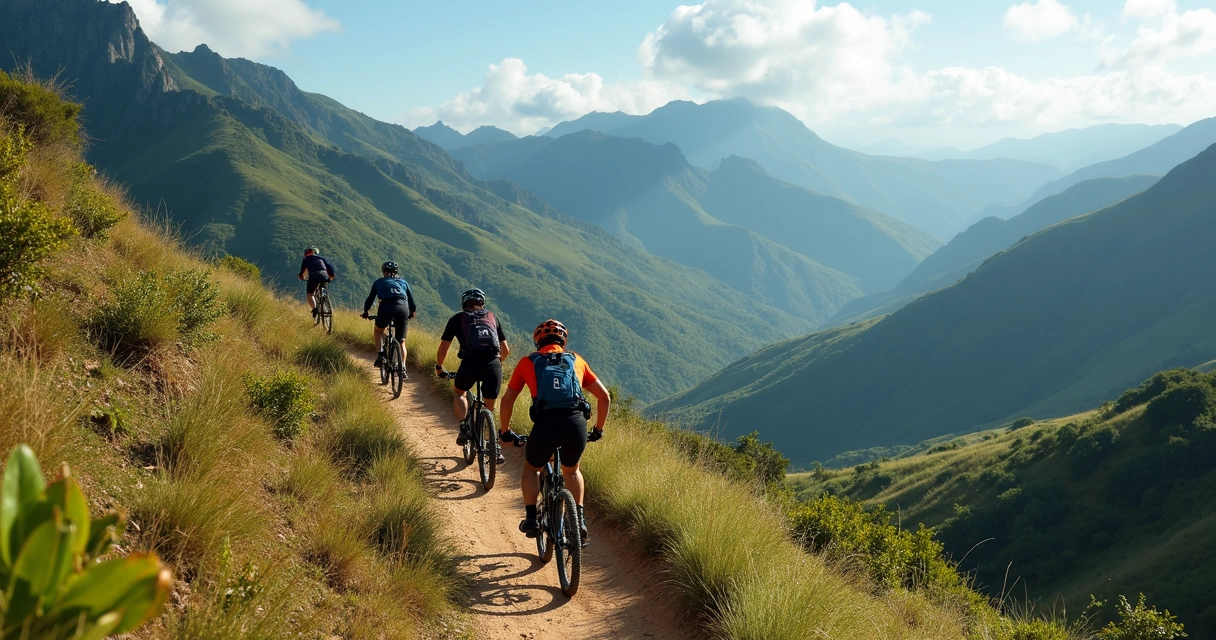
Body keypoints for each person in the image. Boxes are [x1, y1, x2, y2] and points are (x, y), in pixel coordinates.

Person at [498, 319, 610, 543]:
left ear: (538, 341)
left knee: (532, 468)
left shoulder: (527, 362)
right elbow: (604, 397)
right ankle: (578, 519)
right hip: (575, 424)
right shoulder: (576, 360)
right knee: (572, 471)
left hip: (546, 425)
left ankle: (531, 517)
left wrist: (505, 430)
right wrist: (598, 429)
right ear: (563, 341)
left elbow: (507, 400)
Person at [435, 289, 511, 463]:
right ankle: (493, 446)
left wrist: (439, 367)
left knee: (459, 392)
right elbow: (505, 350)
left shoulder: (457, 319)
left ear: (464, 304)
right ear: (482, 303)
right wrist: (496, 364)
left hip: (470, 364)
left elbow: (443, 349)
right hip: (492, 364)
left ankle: (464, 427)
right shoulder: (493, 317)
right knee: (489, 408)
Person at [360, 261, 416, 369]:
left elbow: (370, 299)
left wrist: (366, 311)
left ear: (383, 271)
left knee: (378, 330)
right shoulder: (404, 283)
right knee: (401, 341)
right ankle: (403, 368)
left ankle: (380, 355)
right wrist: (412, 312)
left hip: (386, 307)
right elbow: (411, 300)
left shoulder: (378, 282)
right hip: (403, 308)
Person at [297, 246, 335, 316]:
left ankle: (315, 309)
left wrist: (301, 276)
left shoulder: (306, 259)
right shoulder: (322, 258)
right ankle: (324, 297)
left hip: (314, 276)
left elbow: (302, 271)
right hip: (324, 275)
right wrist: (331, 276)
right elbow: (329, 267)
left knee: (310, 294)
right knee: (323, 283)